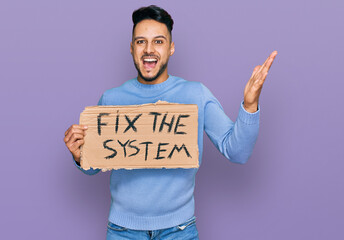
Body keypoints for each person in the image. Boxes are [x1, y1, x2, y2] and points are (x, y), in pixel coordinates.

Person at [64, 5, 277, 240]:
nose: (148, 50)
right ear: (132, 48)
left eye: (158, 41)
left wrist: (249, 105)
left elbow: (237, 152)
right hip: (122, 232)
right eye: (140, 41)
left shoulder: (196, 94)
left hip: (179, 231)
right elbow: (94, 164)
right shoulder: (112, 99)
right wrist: (79, 154)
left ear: (171, 48)